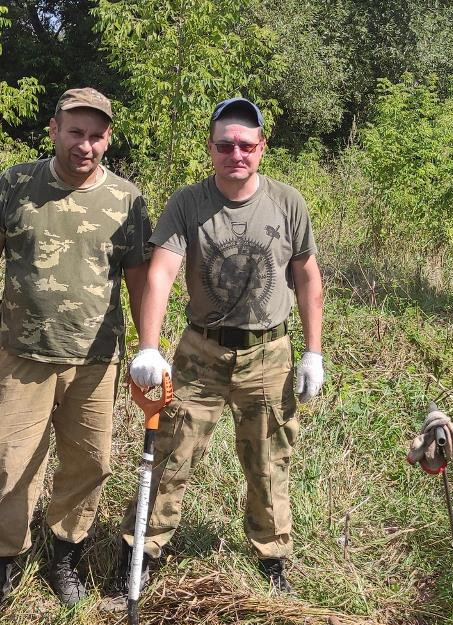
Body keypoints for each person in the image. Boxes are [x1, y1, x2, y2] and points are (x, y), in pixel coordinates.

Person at [0, 87, 150, 617]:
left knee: (91, 463)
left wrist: (149, 349)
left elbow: (139, 282)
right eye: (76, 132)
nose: (86, 145)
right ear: (55, 129)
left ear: (108, 139)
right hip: (25, 354)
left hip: (96, 359)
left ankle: (65, 559)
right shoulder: (17, 184)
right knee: (10, 461)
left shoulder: (126, 200)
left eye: (97, 135)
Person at [123, 97, 325, 593]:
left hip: (268, 354)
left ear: (262, 146)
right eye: (226, 145)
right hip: (201, 353)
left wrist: (313, 352)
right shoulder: (188, 203)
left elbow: (308, 279)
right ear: (211, 148)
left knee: (269, 461)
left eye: (246, 145)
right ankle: (141, 553)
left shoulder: (288, 202)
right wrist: (149, 346)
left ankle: (273, 559)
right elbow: (162, 272)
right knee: (171, 452)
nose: (237, 154)